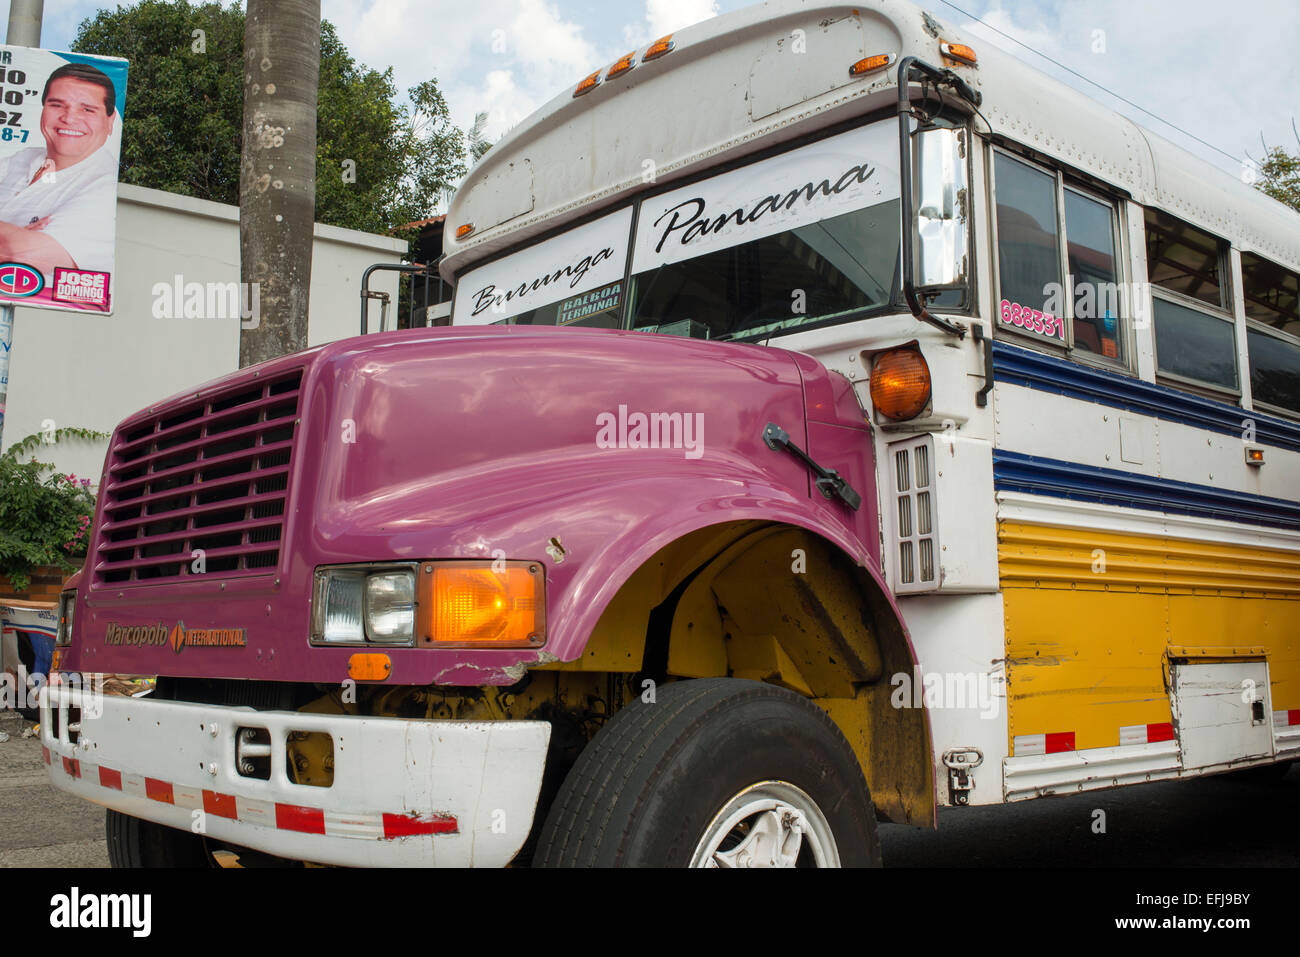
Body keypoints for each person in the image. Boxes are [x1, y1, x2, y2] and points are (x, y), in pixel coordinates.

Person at [0, 62, 119, 281]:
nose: (69, 118)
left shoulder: (106, 187)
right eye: (57, 105)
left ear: (110, 121)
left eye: (87, 109)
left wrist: (14, 240)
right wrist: (13, 233)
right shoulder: (22, 158)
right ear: (43, 108)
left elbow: (18, 254)